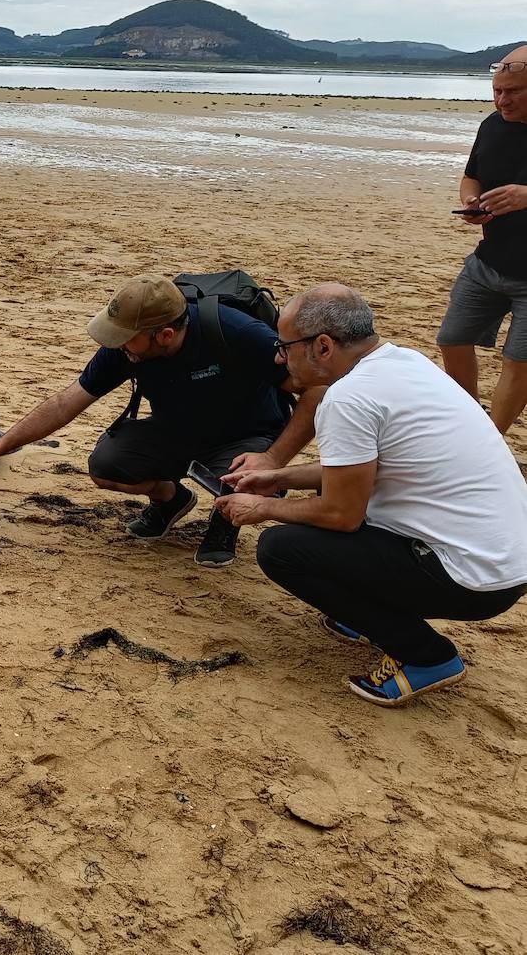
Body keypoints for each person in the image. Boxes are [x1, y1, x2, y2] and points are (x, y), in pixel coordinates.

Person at [218, 284, 527, 707]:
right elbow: (360, 472)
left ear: (323, 347)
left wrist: (265, 507)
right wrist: (278, 477)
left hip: (472, 578)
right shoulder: (404, 362)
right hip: (506, 559)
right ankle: (366, 616)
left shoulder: (348, 397)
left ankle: (428, 657)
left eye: (284, 345)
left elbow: (341, 513)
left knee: (281, 548)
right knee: (344, 532)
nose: (278, 357)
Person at [0, 274, 317, 567]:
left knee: (248, 486)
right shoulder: (126, 349)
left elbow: (316, 389)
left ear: (166, 335)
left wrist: (274, 459)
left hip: (245, 437)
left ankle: (223, 524)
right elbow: (66, 403)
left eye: (126, 340)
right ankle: (170, 499)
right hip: (177, 431)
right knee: (106, 464)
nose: (118, 346)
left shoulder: (234, 331)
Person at [437, 45, 527, 435]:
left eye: (513, 91)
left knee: (519, 360)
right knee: (452, 340)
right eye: (496, 90)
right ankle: (470, 425)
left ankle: (492, 439)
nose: (501, 100)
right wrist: (470, 202)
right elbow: (470, 175)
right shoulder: (492, 125)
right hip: (488, 262)